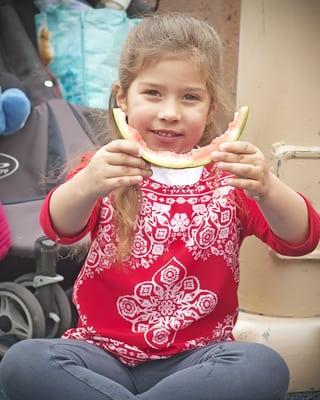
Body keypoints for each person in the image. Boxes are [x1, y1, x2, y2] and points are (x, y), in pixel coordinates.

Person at [0, 14, 319, 400]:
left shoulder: (231, 178)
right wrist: (86, 185)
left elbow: (301, 238)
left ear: (210, 105)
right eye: (152, 93)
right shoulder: (106, 168)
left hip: (197, 361)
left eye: (190, 97)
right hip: (101, 354)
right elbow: (56, 226)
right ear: (123, 96)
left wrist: (268, 188)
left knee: (264, 366)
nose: (170, 112)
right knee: (23, 360)